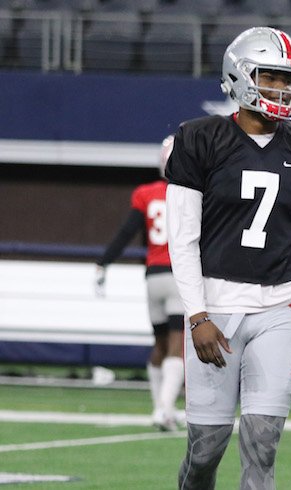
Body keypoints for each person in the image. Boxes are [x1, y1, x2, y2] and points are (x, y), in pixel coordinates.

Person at [165, 27, 291, 489]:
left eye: (288, 80)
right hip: (215, 306)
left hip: (281, 305)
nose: (281, 89)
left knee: (262, 443)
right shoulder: (198, 139)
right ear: (239, 75)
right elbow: (181, 238)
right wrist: (196, 314)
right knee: (206, 449)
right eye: (270, 76)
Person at [96, 135, 184, 432]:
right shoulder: (192, 194)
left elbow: (126, 232)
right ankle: (165, 409)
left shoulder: (146, 194)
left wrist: (103, 262)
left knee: (158, 345)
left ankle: (159, 408)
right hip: (178, 276)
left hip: (153, 277)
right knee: (177, 346)